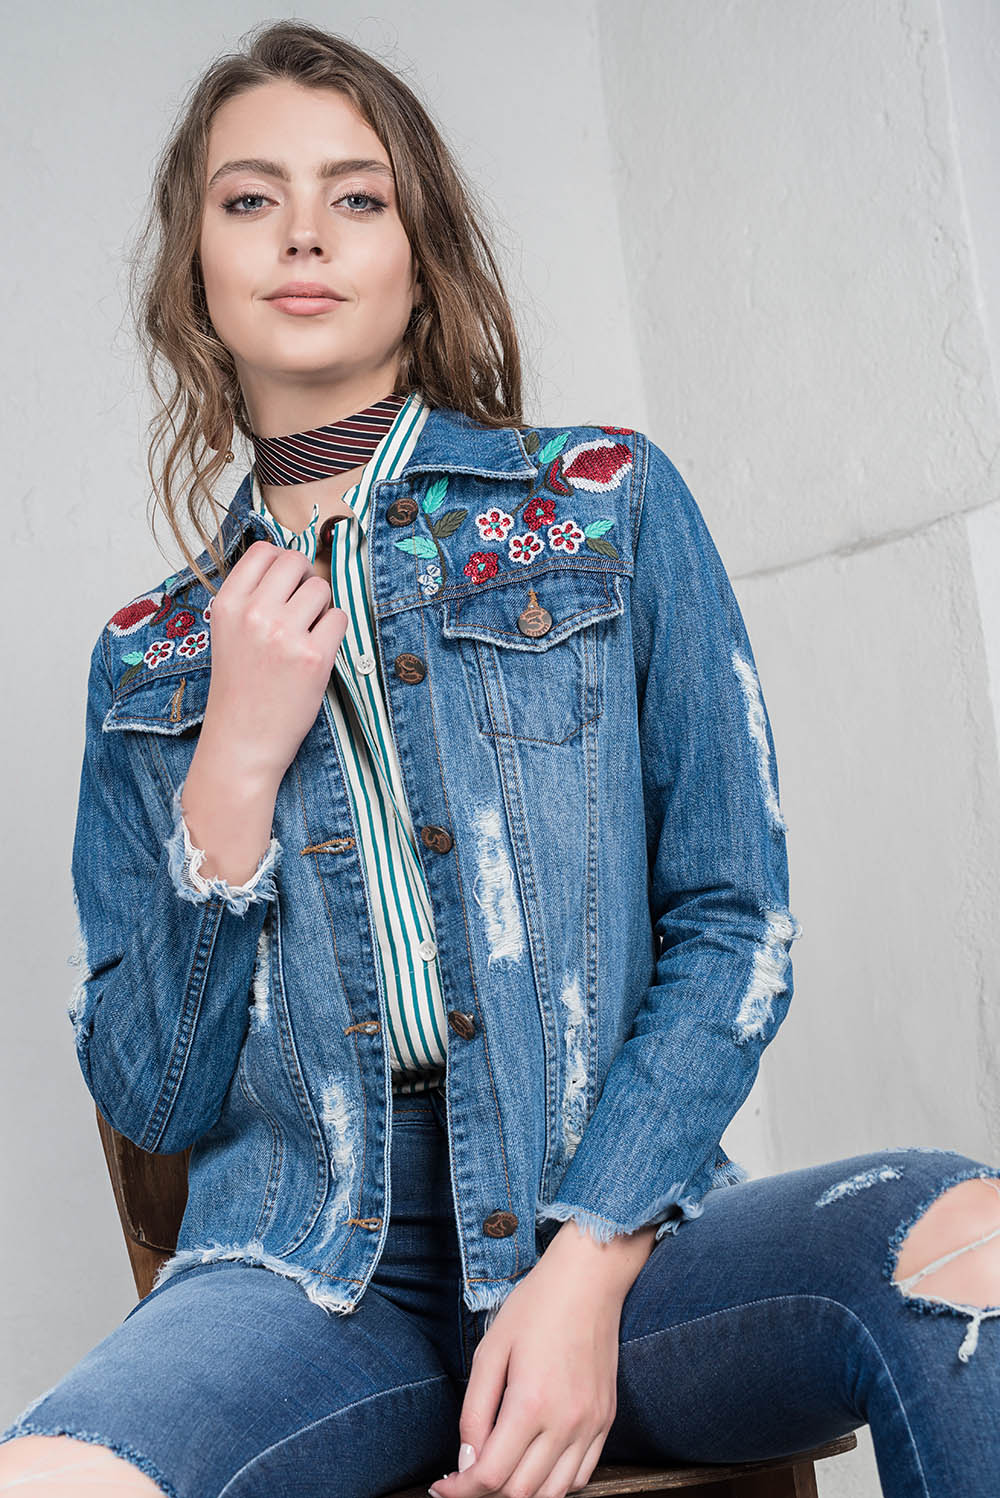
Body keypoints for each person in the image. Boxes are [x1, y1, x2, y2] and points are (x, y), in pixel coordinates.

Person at [2, 18, 1000, 1498]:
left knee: (968, 1252)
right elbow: (153, 1096)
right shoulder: (149, 658)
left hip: (620, 1227)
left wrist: (590, 1253)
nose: (302, 235)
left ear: (421, 256)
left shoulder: (604, 506)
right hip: (306, 1285)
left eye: (356, 196)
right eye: (250, 198)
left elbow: (736, 923)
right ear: (193, 271)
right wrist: (232, 767)